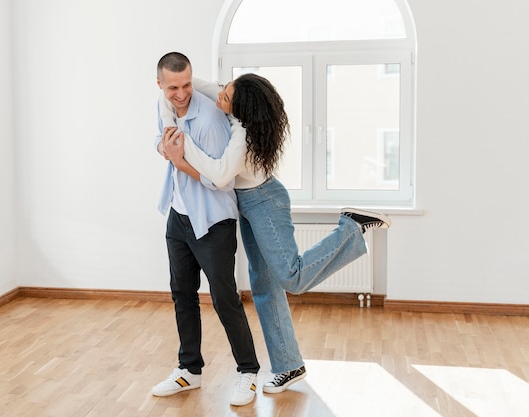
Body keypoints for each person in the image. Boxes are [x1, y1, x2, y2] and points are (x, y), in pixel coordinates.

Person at [159, 73, 391, 394]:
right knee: (263, 286)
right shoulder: (231, 97)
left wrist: (179, 148)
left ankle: (351, 228)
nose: (219, 98)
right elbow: (188, 85)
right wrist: (169, 100)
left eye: (226, 98)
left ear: (241, 111)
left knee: (291, 277)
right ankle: (288, 366)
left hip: (264, 202)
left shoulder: (242, 135)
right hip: (247, 205)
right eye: (224, 90)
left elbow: (218, 173)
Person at [151, 52, 260, 407]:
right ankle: (189, 370)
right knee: (182, 293)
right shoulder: (164, 105)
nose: (181, 94)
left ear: (192, 79)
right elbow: (160, 143)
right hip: (179, 216)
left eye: (186, 85)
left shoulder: (212, 119)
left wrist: (180, 161)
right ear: (160, 85)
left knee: (225, 298)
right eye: (172, 88)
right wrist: (164, 150)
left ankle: (248, 372)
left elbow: (219, 181)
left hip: (213, 220)